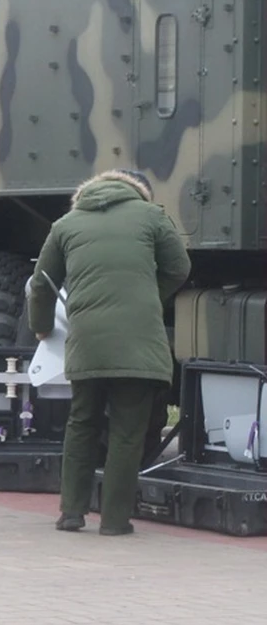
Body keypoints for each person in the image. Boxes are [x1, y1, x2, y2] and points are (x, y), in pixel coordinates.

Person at [28, 169, 191, 536]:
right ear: (139, 192)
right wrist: (149, 297)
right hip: (139, 344)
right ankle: (115, 521)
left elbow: (41, 284)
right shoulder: (151, 215)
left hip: (87, 341)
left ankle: (71, 512)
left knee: (82, 423)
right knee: (127, 431)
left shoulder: (66, 224)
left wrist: (42, 325)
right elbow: (180, 267)